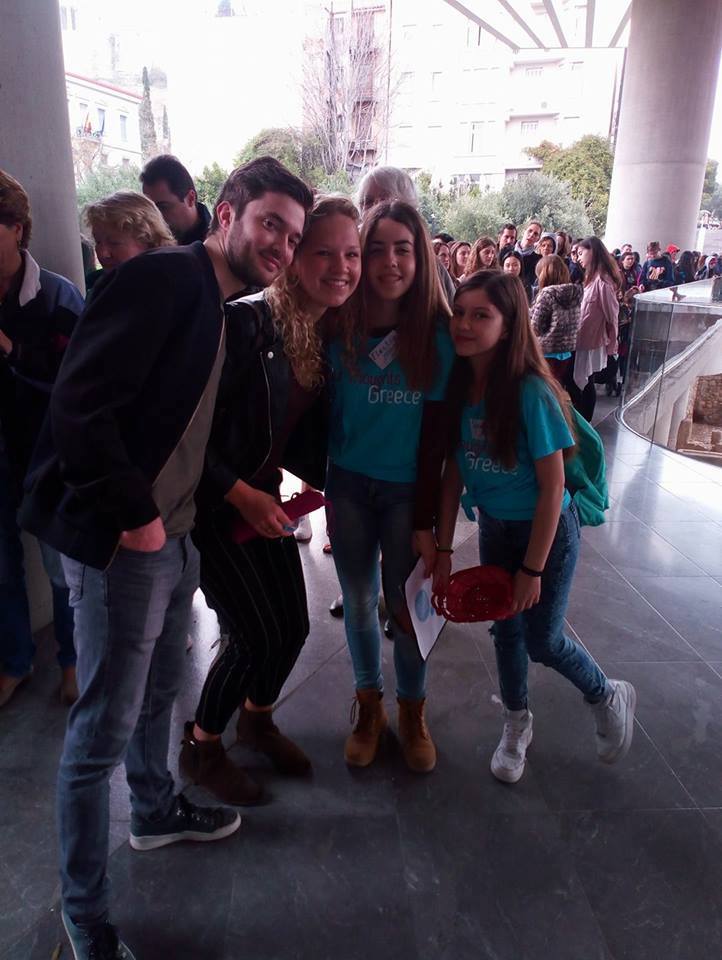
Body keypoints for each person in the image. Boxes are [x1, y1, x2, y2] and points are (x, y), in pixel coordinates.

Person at [20, 157, 312, 960]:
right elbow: (78, 403)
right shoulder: (167, 279)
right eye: (271, 224)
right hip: (126, 543)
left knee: (156, 695)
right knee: (100, 731)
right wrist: (136, 516)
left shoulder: (219, 303)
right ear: (227, 214)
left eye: (294, 235)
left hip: (174, 535)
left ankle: (152, 811)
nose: (282, 245)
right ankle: (85, 913)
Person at [180, 196, 361, 804]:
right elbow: (188, 431)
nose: (341, 267)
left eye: (351, 254)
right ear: (295, 258)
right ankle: (203, 745)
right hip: (214, 500)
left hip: (263, 493)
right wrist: (239, 494)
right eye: (324, 253)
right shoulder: (247, 322)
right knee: (252, 634)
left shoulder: (326, 330)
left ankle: (257, 721)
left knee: (293, 627)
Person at [433, 270, 636, 785]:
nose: (465, 324)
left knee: (542, 639)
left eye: (481, 315)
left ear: (508, 325)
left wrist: (532, 569)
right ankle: (516, 720)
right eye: (460, 313)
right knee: (506, 630)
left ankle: (605, 693)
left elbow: (552, 488)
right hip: (496, 528)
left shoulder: (530, 392)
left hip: (547, 533)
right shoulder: (457, 386)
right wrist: (443, 549)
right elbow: (453, 472)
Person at [325, 200, 454, 773]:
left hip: (407, 494)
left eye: (403, 249)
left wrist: (429, 523)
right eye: (375, 249)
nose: (389, 262)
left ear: (420, 257)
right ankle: (369, 705)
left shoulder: (439, 336)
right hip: (348, 485)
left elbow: (436, 444)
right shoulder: (338, 323)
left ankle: (411, 709)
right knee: (357, 601)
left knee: (406, 607)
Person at [0, 169, 83, 709]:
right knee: (1, 566)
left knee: (60, 567)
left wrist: (11, 350)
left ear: (17, 228)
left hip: (46, 455)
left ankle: (72, 660)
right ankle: (15, 661)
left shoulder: (58, 296)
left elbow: (78, 386)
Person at [84, 190, 176, 291]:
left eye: (114, 243)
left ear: (148, 240)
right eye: (98, 242)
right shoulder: (95, 284)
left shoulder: (171, 287)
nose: (103, 254)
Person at [571, 237, 621, 421]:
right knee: (580, 382)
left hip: (591, 342)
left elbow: (612, 316)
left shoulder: (603, 281)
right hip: (582, 340)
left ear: (592, 251)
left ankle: (585, 423)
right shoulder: (591, 279)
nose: (578, 258)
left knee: (586, 382)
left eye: (581, 253)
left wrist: (612, 345)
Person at [530, 254, 582, 384]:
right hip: (566, 352)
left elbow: (536, 327)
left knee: (543, 387)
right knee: (556, 386)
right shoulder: (575, 293)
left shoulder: (547, 294)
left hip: (546, 352)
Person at [140, 153, 211, 244]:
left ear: (190, 198)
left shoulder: (218, 246)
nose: (154, 218)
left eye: (163, 207)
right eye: (149, 209)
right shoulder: (146, 241)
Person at [515, 220, 543, 301]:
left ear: (538, 239)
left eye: (535, 234)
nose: (531, 235)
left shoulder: (538, 260)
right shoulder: (508, 251)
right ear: (524, 231)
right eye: (530, 231)